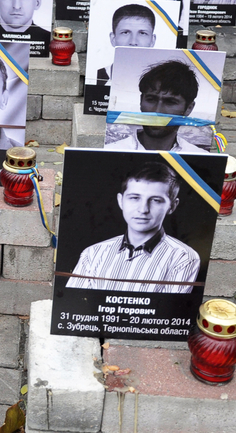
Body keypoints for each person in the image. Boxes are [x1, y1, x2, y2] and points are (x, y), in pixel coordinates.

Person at [65, 161, 200, 293]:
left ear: (172, 206)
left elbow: (168, 313)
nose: (143, 209)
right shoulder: (93, 253)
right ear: (121, 201)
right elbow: (75, 306)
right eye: (135, 198)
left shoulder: (184, 257)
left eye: (155, 200)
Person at [106, 60, 208, 153]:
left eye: (170, 102)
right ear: (141, 101)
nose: (157, 111)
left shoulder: (200, 156)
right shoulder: (112, 151)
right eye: (151, 99)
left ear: (189, 108)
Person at [97, 4, 156, 83]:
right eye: (125, 32)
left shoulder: (164, 81)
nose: (133, 42)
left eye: (142, 33)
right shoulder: (97, 77)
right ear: (113, 39)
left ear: (152, 40)